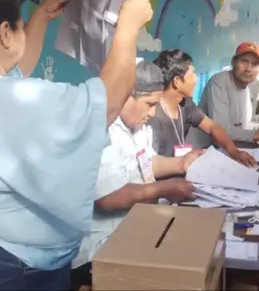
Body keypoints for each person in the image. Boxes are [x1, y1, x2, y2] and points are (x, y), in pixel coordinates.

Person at [0, 0, 153, 290]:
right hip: (17, 269)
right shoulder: (4, 100)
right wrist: (128, 26)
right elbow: (108, 102)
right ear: (5, 33)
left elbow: (13, 70)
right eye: (19, 27)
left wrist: (42, 14)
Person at [71, 60, 202, 285]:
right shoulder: (102, 128)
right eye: (149, 104)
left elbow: (147, 162)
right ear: (125, 96)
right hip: (102, 245)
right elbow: (108, 198)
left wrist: (182, 163)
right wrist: (164, 188)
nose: (152, 113)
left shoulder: (137, 126)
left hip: (136, 227)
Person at [150, 49, 257, 166]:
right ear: (177, 81)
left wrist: (235, 152)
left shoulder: (185, 104)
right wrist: (181, 164)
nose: (196, 78)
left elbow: (212, 127)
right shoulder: (152, 114)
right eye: (192, 73)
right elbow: (150, 164)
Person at [188, 42, 259, 148]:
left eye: (255, 64)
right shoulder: (219, 82)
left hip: (233, 147)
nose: (248, 69)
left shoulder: (254, 85)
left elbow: (244, 124)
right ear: (233, 62)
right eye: (244, 61)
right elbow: (221, 129)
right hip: (203, 149)